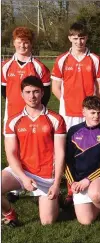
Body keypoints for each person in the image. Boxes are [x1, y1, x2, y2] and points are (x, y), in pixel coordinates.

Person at [2, 76, 66, 226]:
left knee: (47, 222)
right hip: (21, 172)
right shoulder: (13, 120)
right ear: (21, 94)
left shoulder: (56, 119)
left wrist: (56, 183)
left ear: (42, 93)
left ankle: (57, 197)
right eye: (28, 92)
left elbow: (60, 152)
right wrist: (23, 178)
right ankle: (9, 214)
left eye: (36, 92)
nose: (32, 96)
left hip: (45, 176)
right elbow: (10, 153)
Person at [64, 96, 100, 231]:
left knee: (96, 194)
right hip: (79, 179)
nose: (96, 116)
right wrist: (72, 182)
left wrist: (88, 180)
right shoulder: (73, 131)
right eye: (92, 112)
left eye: (99, 112)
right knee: (86, 220)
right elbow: (66, 159)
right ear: (84, 112)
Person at [51, 22, 100, 130]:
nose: (79, 42)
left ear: (87, 38)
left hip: (89, 111)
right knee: (68, 143)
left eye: (82, 38)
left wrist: (93, 104)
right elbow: (55, 87)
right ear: (70, 38)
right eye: (75, 38)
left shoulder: (95, 59)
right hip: (67, 111)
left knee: (89, 143)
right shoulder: (61, 59)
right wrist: (66, 101)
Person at [2, 27, 51, 120]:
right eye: (19, 42)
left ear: (31, 44)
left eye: (26, 42)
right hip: (11, 115)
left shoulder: (40, 67)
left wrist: (36, 110)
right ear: (14, 43)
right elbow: (4, 90)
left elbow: (46, 93)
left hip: (34, 116)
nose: (22, 45)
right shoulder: (5, 66)